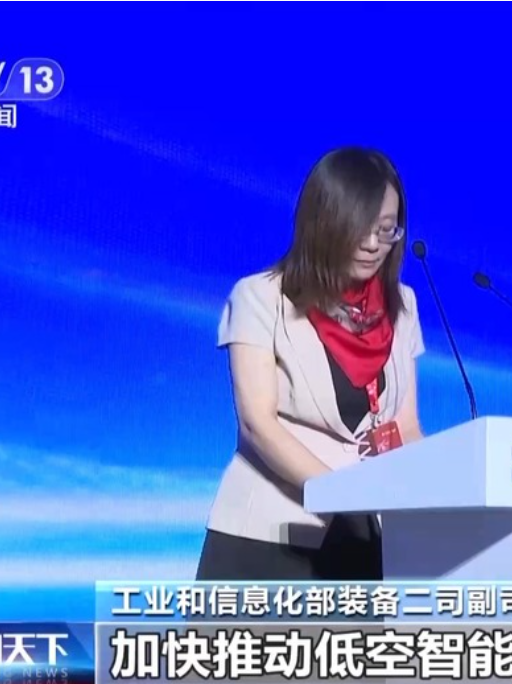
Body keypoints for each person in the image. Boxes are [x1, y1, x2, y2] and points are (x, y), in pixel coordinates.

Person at [196, 147, 425, 582]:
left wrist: (439, 488)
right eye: (360, 227)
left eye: (386, 229)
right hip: (269, 535)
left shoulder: (403, 306)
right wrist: (340, 495)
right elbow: (258, 425)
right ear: (325, 221)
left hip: (362, 538)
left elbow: (406, 425)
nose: (373, 244)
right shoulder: (261, 297)